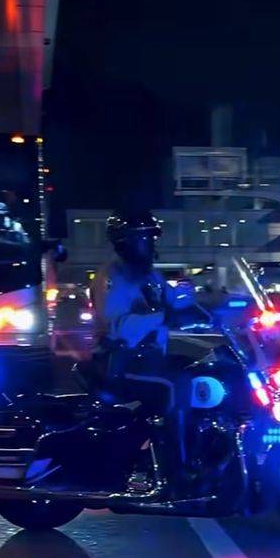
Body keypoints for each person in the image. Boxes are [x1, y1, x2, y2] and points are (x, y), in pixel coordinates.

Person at [90, 209, 200, 497]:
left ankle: (205, 450)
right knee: (177, 385)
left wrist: (216, 308)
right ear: (124, 242)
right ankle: (177, 470)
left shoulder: (150, 275)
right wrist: (164, 315)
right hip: (119, 362)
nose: (149, 244)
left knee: (204, 370)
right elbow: (117, 327)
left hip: (148, 360)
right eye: (143, 238)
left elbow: (172, 302)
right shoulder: (111, 277)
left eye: (152, 238)